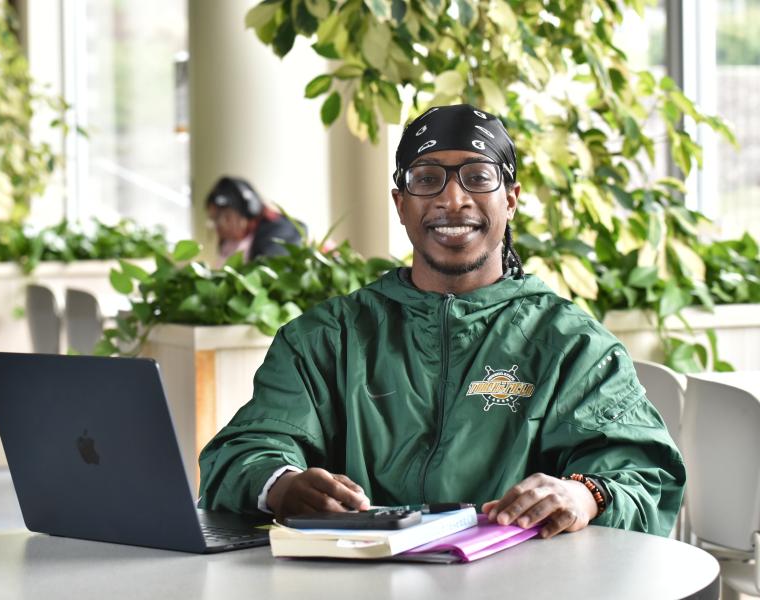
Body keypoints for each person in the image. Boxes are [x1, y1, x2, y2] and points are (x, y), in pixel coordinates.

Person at [198, 104, 685, 539]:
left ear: (510, 199)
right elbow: (245, 450)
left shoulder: (572, 344)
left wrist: (582, 496)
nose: (453, 200)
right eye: (428, 179)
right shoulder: (327, 338)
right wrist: (280, 485)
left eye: (477, 177)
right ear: (401, 204)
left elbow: (642, 475)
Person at [205, 176, 304, 263]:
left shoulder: (281, 232)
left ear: (248, 209)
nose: (218, 225)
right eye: (213, 219)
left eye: (224, 216)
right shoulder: (229, 242)